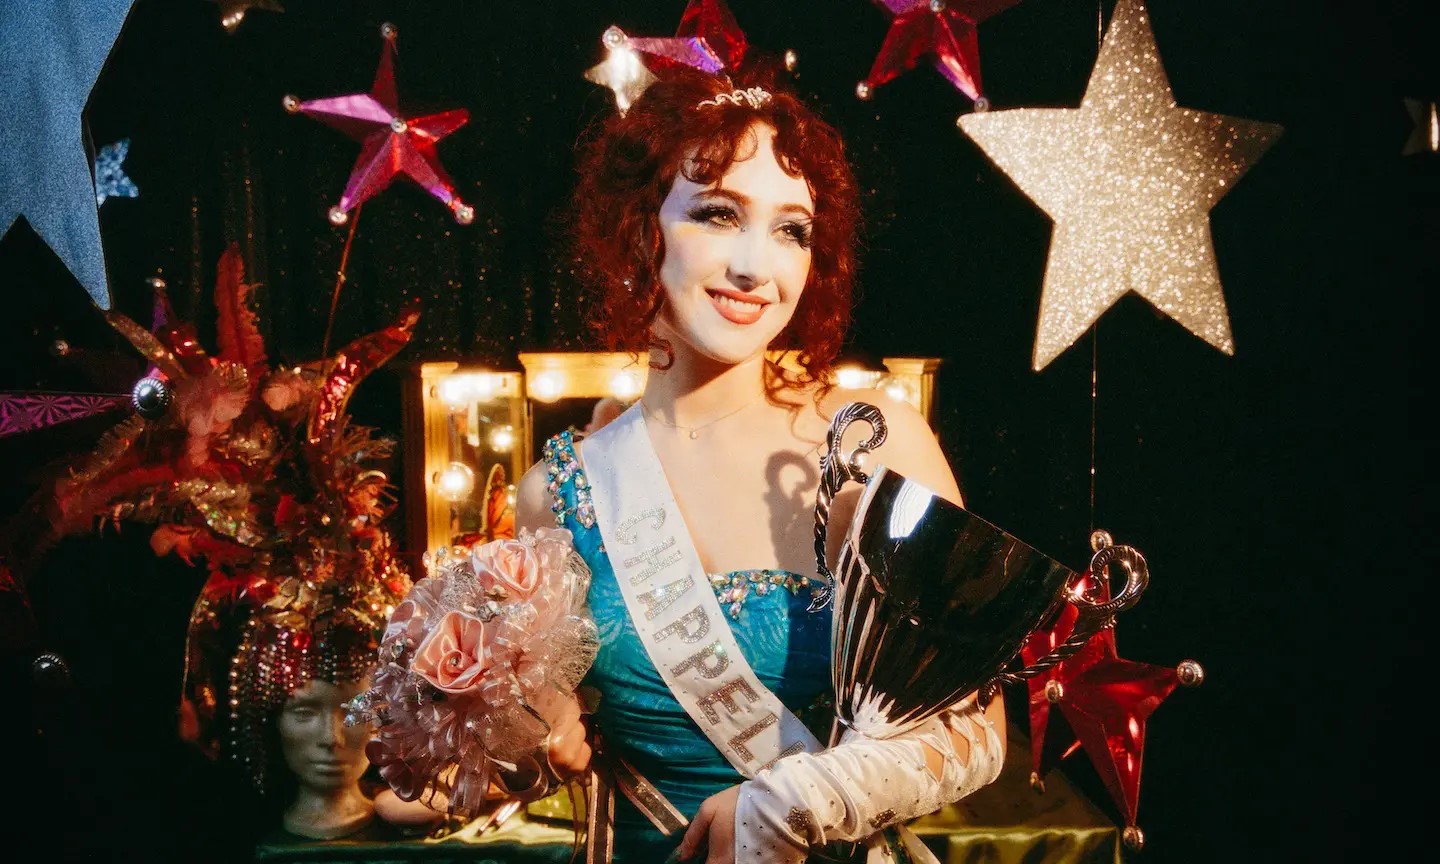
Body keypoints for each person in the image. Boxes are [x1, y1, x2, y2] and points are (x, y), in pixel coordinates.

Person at [515, 61, 1005, 864]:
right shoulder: (556, 494)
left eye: (791, 230)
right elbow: (542, 749)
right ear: (638, 231)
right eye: (718, 214)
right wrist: (522, 737)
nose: (757, 266)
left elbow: (975, 729)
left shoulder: (872, 441)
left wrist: (795, 799)